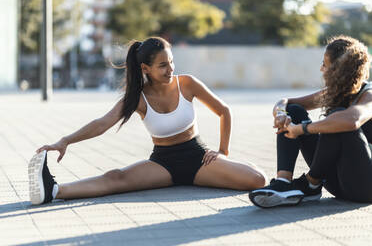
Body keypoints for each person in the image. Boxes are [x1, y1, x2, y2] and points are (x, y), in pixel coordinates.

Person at [28, 37, 266, 205]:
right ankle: (53, 191)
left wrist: (222, 151)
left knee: (258, 179)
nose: (170, 69)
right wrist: (65, 141)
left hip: (197, 159)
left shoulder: (187, 84)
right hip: (163, 164)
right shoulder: (137, 98)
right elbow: (102, 123)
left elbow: (224, 111)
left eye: (171, 62)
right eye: (163, 65)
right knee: (115, 178)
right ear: (146, 68)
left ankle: (244, 167)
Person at [249, 35, 372, 208]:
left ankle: (310, 183)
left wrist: (303, 129)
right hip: (337, 184)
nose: (321, 69)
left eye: (324, 64)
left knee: (338, 118)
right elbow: (287, 102)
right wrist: (281, 114)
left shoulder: (369, 94)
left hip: (365, 188)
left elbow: (352, 120)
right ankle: (283, 183)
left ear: (337, 71)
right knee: (295, 111)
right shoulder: (335, 92)